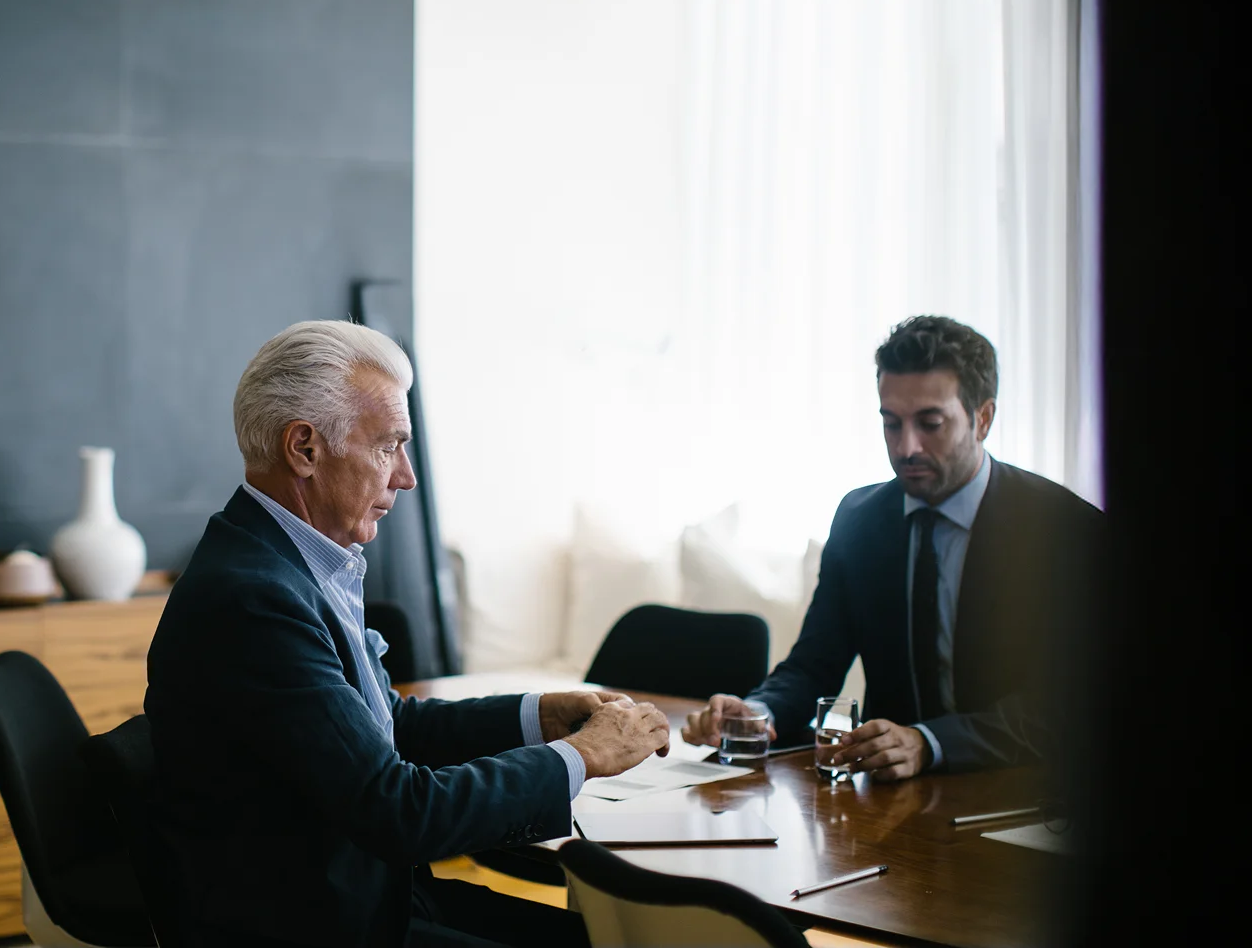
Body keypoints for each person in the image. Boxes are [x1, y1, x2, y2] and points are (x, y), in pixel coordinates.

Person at [145, 320, 670, 947]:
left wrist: (539, 716)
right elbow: (397, 810)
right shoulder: (254, 599)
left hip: (360, 898)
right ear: (305, 449)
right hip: (314, 926)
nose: (406, 476)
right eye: (389, 445)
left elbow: (388, 728)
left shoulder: (282, 562)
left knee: (606, 938)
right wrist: (583, 757)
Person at [682, 315, 1100, 780]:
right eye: (891, 424)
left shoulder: (1062, 530)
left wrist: (929, 742)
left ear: (983, 419)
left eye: (930, 423)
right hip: (888, 799)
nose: (907, 447)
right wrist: (757, 713)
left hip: (1023, 800)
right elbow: (813, 665)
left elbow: (1071, 706)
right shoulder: (860, 519)